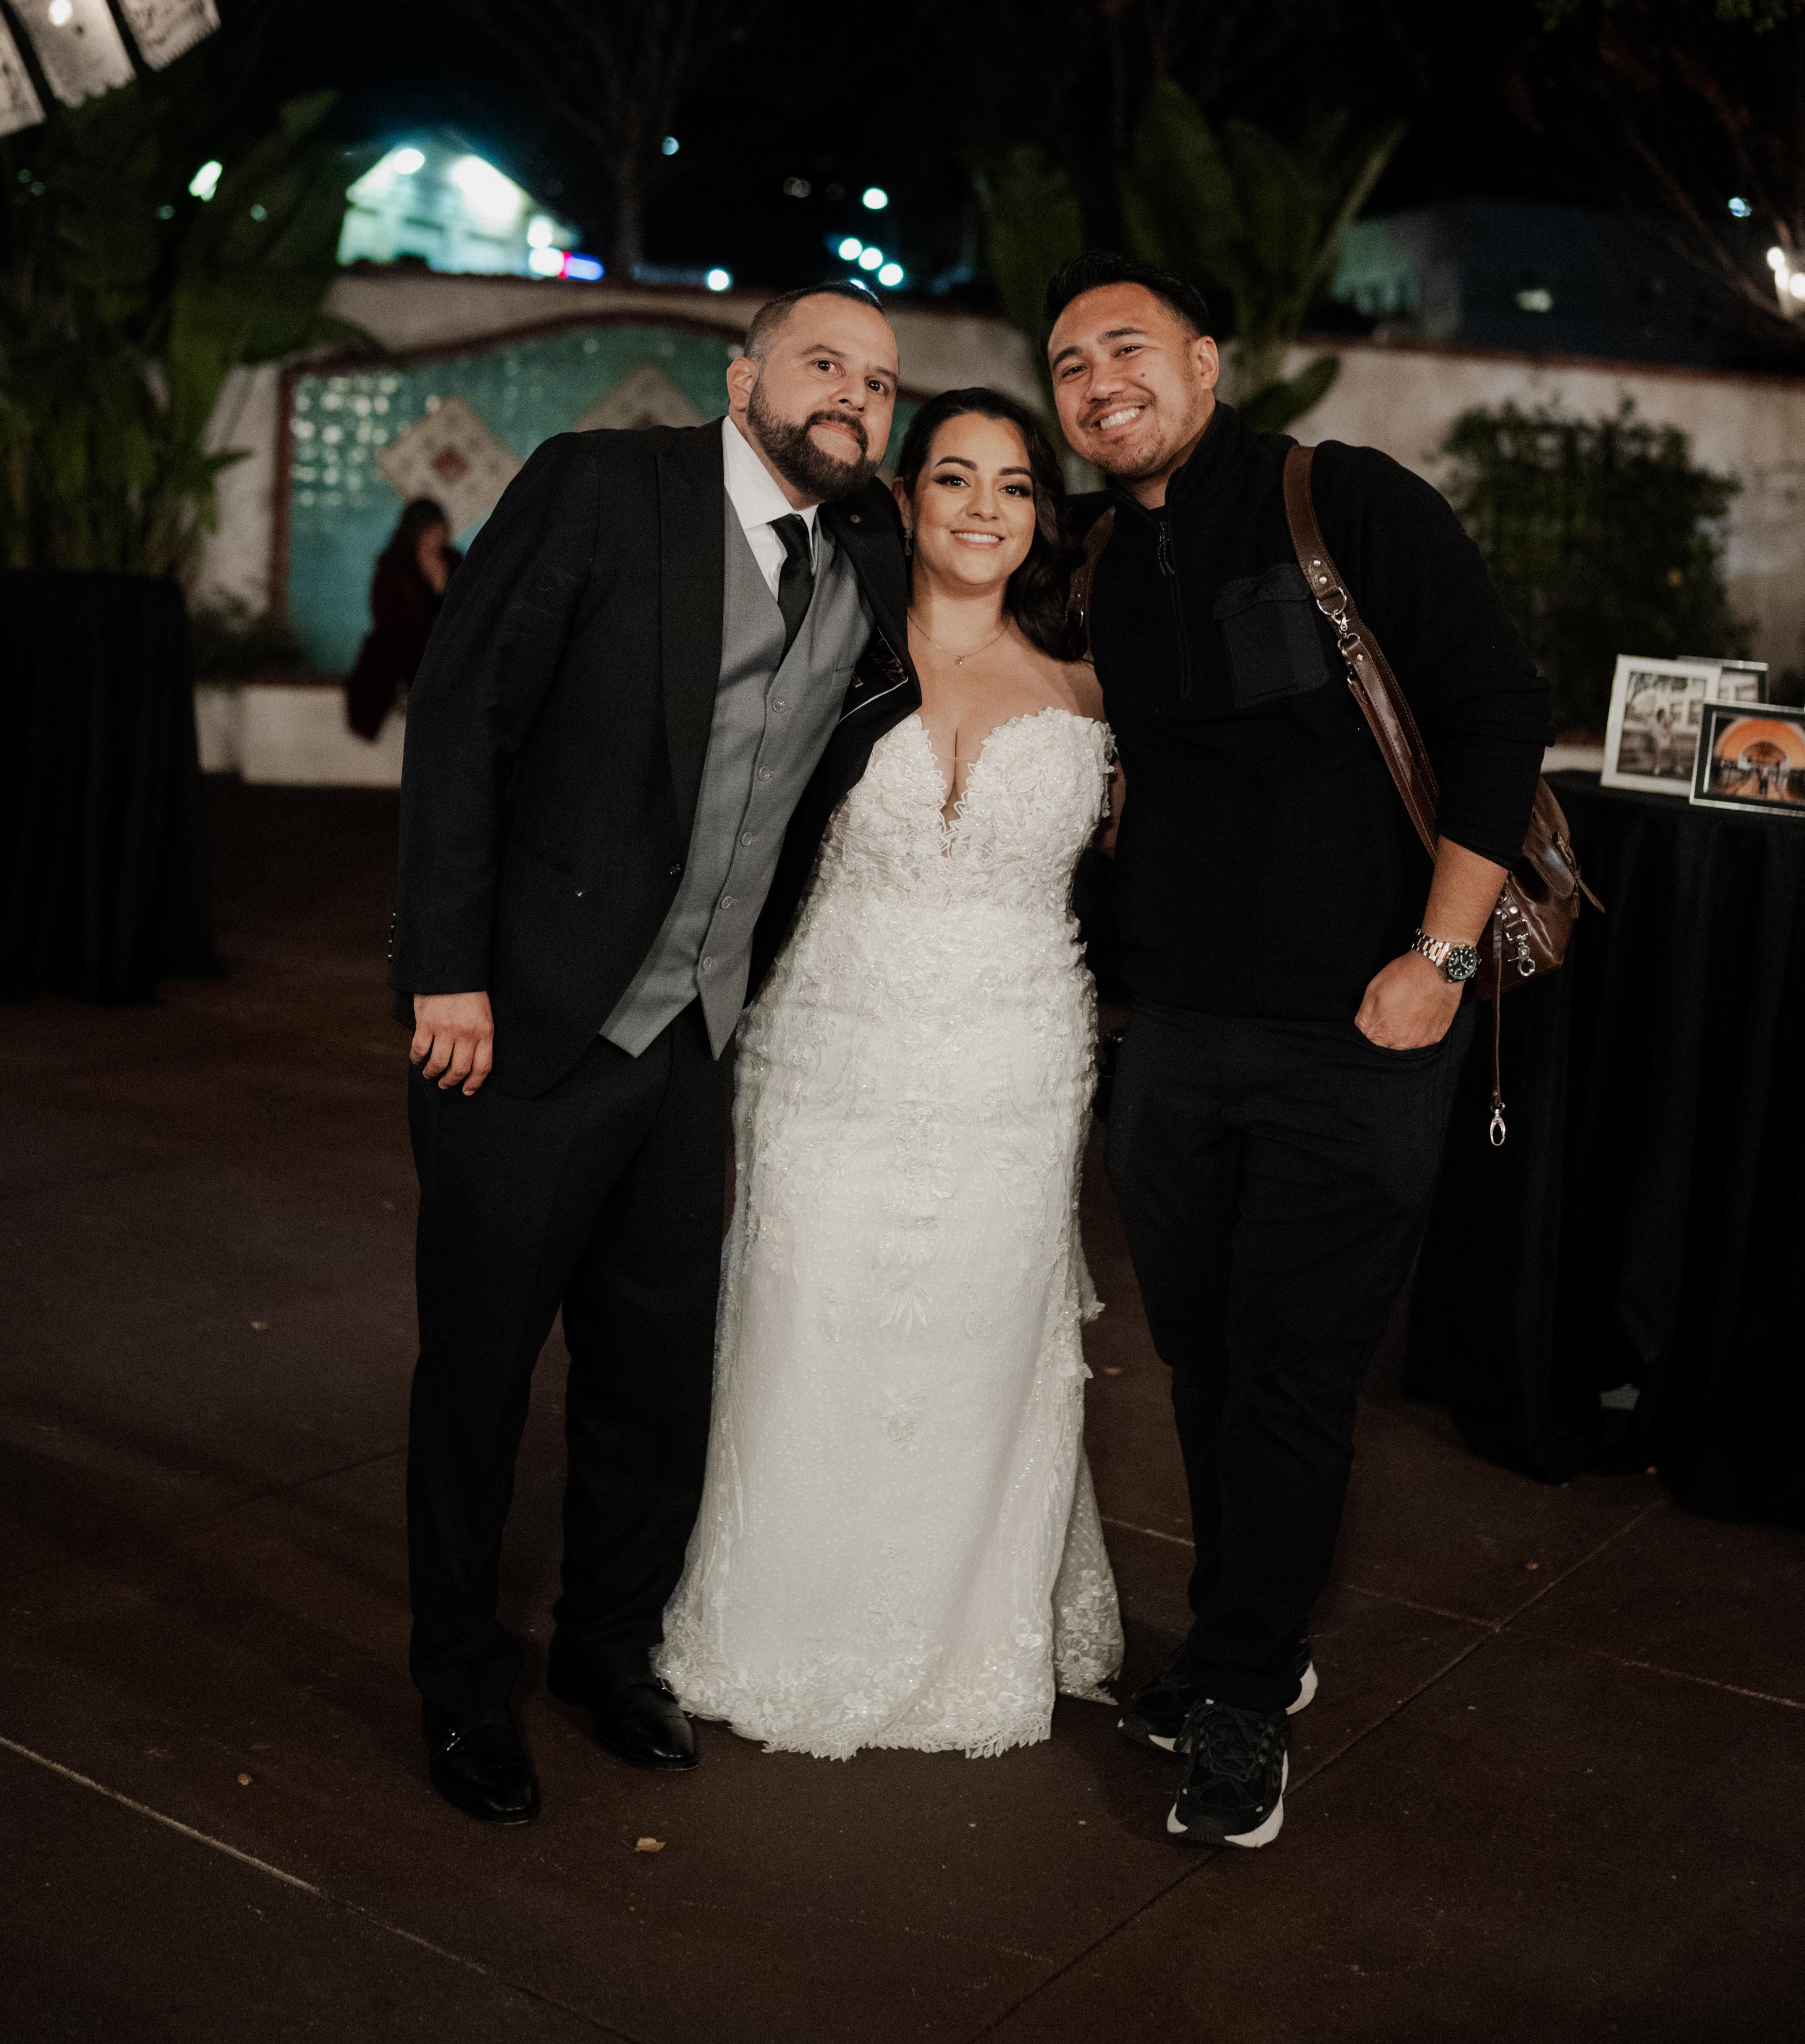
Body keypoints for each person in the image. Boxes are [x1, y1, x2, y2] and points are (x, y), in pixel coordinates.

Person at [388, 280, 919, 1825]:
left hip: (698, 1036)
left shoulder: (866, 555)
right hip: (524, 1019)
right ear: (744, 379)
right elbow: (464, 713)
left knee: (653, 1373)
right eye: (824, 363)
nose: (853, 394)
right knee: (479, 1373)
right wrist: (445, 971)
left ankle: (603, 1652)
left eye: (879, 381)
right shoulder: (604, 485)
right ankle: (458, 1681)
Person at [1045, 251, 1549, 1850]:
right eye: (1068, 365)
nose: (1097, 382)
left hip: (1358, 1029)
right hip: (1173, 1039)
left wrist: (1438, 959)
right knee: (1203, 1362)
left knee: (1289, 1372)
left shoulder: (1345, 500)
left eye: (1126, 346)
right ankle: (1242, 1631)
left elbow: (1494, 711)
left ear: (1205, 358)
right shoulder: (1103, 558)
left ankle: (1245, 1691)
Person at [657, 388, 1124, 1756]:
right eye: (955, 477)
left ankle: (969, 1630)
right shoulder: (826, 650)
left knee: (982, 1329)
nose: (984, 507)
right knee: (804, 1307)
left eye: (1015, 484)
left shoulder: (1093, 681)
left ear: (1040, 515)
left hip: (1019, 1058)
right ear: (906, 498)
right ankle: (772, 1617)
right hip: (828, 1040)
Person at [345, 498, 459, 740]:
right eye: (430, 533)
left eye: (440, 532)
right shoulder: (394, 565)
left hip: (444, 647)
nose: (436, 540)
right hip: (403, 648)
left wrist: (440, 589)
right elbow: (385, 617)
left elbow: (462, 610)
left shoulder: (453, 561)